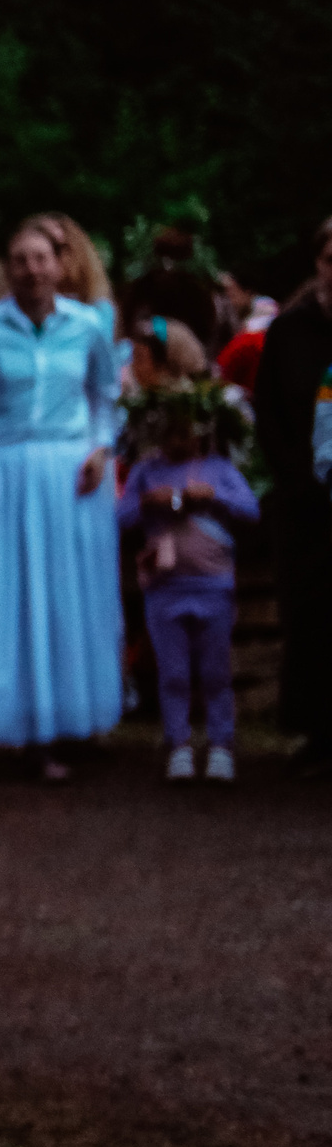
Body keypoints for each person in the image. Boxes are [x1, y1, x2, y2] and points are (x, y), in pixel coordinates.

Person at [0, 222, 125, 772]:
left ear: (60, 264)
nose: (31, 270)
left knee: (67, 595)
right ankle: (7, 724)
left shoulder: (87, 325)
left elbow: (106, 396)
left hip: (71, 476)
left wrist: (101, 448)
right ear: (8, 268)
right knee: (6, 597)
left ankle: (69, 721)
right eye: (20, 260)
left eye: (41, 258)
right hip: (6, 470)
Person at [120, 384, 258, 782]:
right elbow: (121, 516)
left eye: (185, 431)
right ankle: (178, 743)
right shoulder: (146, 471)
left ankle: (221, 745)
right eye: (169, 431)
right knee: (174, 673)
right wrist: (148, 502)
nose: (177, 439)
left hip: (213, 586)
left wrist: (213, 495)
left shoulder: (220, 469)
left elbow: (250, 509)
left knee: (216, 672)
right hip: (164, 589)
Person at [255, 215, 332, 768]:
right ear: (318, 263)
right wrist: (298, 477)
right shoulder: (289, 331)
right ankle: (317, 732)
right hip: (306, 498)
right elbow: (270, 412)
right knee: (311, 615)